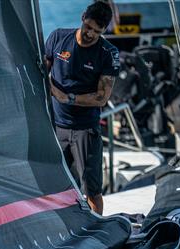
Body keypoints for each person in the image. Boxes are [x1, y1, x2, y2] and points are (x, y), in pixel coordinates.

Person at [45, 1, 119, 215]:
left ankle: (97, 229)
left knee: (92, 190)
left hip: (85, 129)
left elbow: (101, 97)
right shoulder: (58, 37)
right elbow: (42, 69)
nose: (90, 34)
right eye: (88, 27)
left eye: (97, 32)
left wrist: (66, 97)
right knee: (58, 186)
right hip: (56, 126)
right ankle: (62, 227)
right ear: (83, 17)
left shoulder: (108, 53)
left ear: (103, 31)